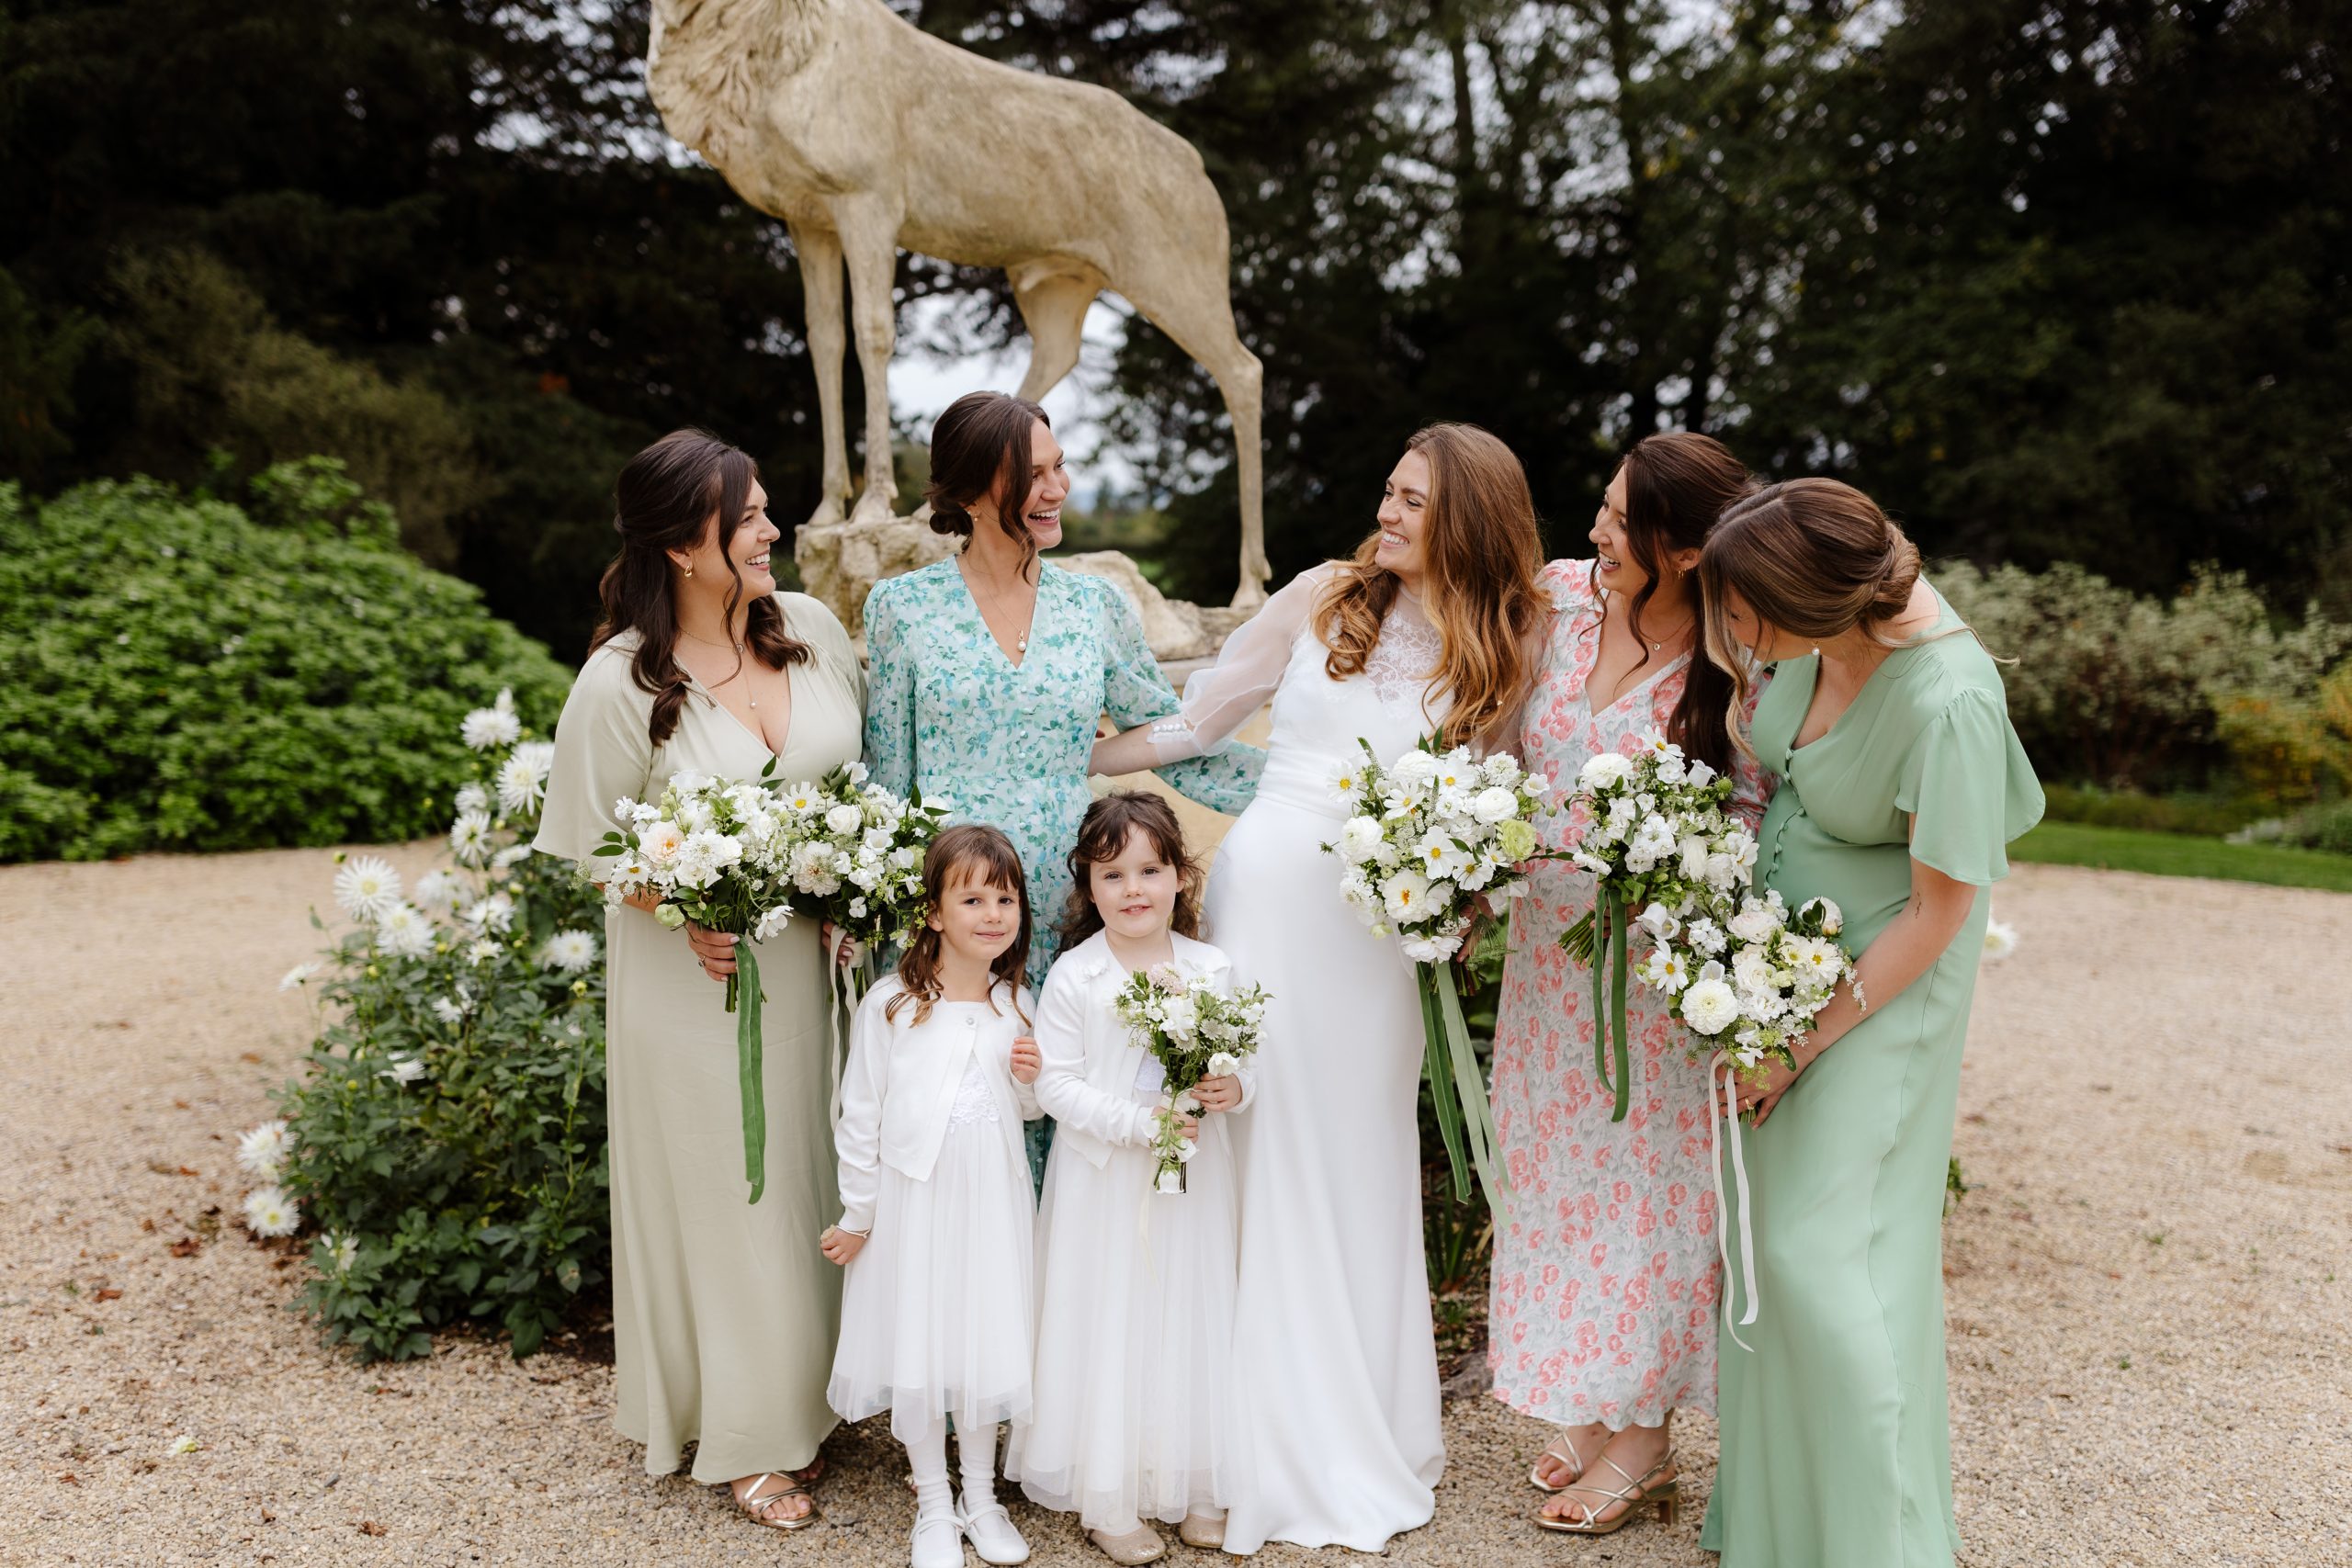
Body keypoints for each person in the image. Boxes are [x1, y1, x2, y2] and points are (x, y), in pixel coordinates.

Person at [1091, 422, 1549, 1554]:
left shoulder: (1502, 646)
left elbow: (1497, 814)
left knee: (1350, 1156)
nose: (1386, 516)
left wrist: (1461, 895)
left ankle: (1342, 1425)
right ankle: (1213, 1436)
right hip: (1260, 911)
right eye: (1387, 493)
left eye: (1412, 503)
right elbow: (1195, 721)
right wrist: (1065, 753)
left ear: (1469, 521)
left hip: (1374, 944)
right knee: (1244, 1142)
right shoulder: (1319, 596)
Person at [1693, 479, 2044, 1567]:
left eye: (1745, 612)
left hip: (1884, 991)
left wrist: (1794, 1046)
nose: (1731, 636)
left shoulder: (1948, 699)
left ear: (1814, 598)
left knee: (1818, 1251)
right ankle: (1778, 1528)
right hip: (1786, 973)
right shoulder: (1802, 645)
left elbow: (1944, 911)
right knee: (1760, 1234)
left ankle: (1880, 1540)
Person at [535, 430, 863, 1529]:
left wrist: (849, 890)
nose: (774, 530)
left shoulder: (811, 633)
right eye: (753, 515)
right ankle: (745, 1435)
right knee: (729, 1192)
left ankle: (817, 1397)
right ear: (686, 543)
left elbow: (853, 788)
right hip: (697, 977)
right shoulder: (619, 681)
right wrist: (682, 906)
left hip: (813, 968)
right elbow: (588, 845)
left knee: (812, 1173)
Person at [1485, 432, 1771, 1535]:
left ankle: (1645, 1439)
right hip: (1544, 963)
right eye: (1599, 509)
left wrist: (1672, 862)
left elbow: (1751, 814)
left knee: (1649, 1200)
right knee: (1555, 1178)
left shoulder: (1732, 664)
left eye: (1620, 520)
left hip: (1654, 985)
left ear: (1687, 550)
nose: (1594, 530)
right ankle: (1595, 1404)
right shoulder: (1558, 602)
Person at [1010, 792, 1250, 1564]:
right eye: (1114, 874)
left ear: (1181, 876)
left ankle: (1194, 1476)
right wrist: (1139, 1124)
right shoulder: (1077, 977)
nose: (1135, 887)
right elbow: (1056, 1087)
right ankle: (1108, 1492)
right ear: (1088, 884)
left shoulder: (1211, 966)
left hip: (1196, 1182)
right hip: (1105, 1183)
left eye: (1151, 868)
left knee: (1187, 1308)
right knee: (1113, 1314)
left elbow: (1248, 1055)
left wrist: (1232, 1088)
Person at [822, 825, 1046, 1568]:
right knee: (920, 1339)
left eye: (1005, 897)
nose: (991, 913)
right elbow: (862, 1113)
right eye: (972, 896)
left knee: (983, 1338)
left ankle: (981, 1495)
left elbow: (1033, 1108)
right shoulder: (892, 1004)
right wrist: (859, 1214)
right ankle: (932, 1504)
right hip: (914, 1205)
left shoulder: (1017, 1001)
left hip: (991, 1201)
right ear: (934, 913)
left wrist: (1029, 1073)